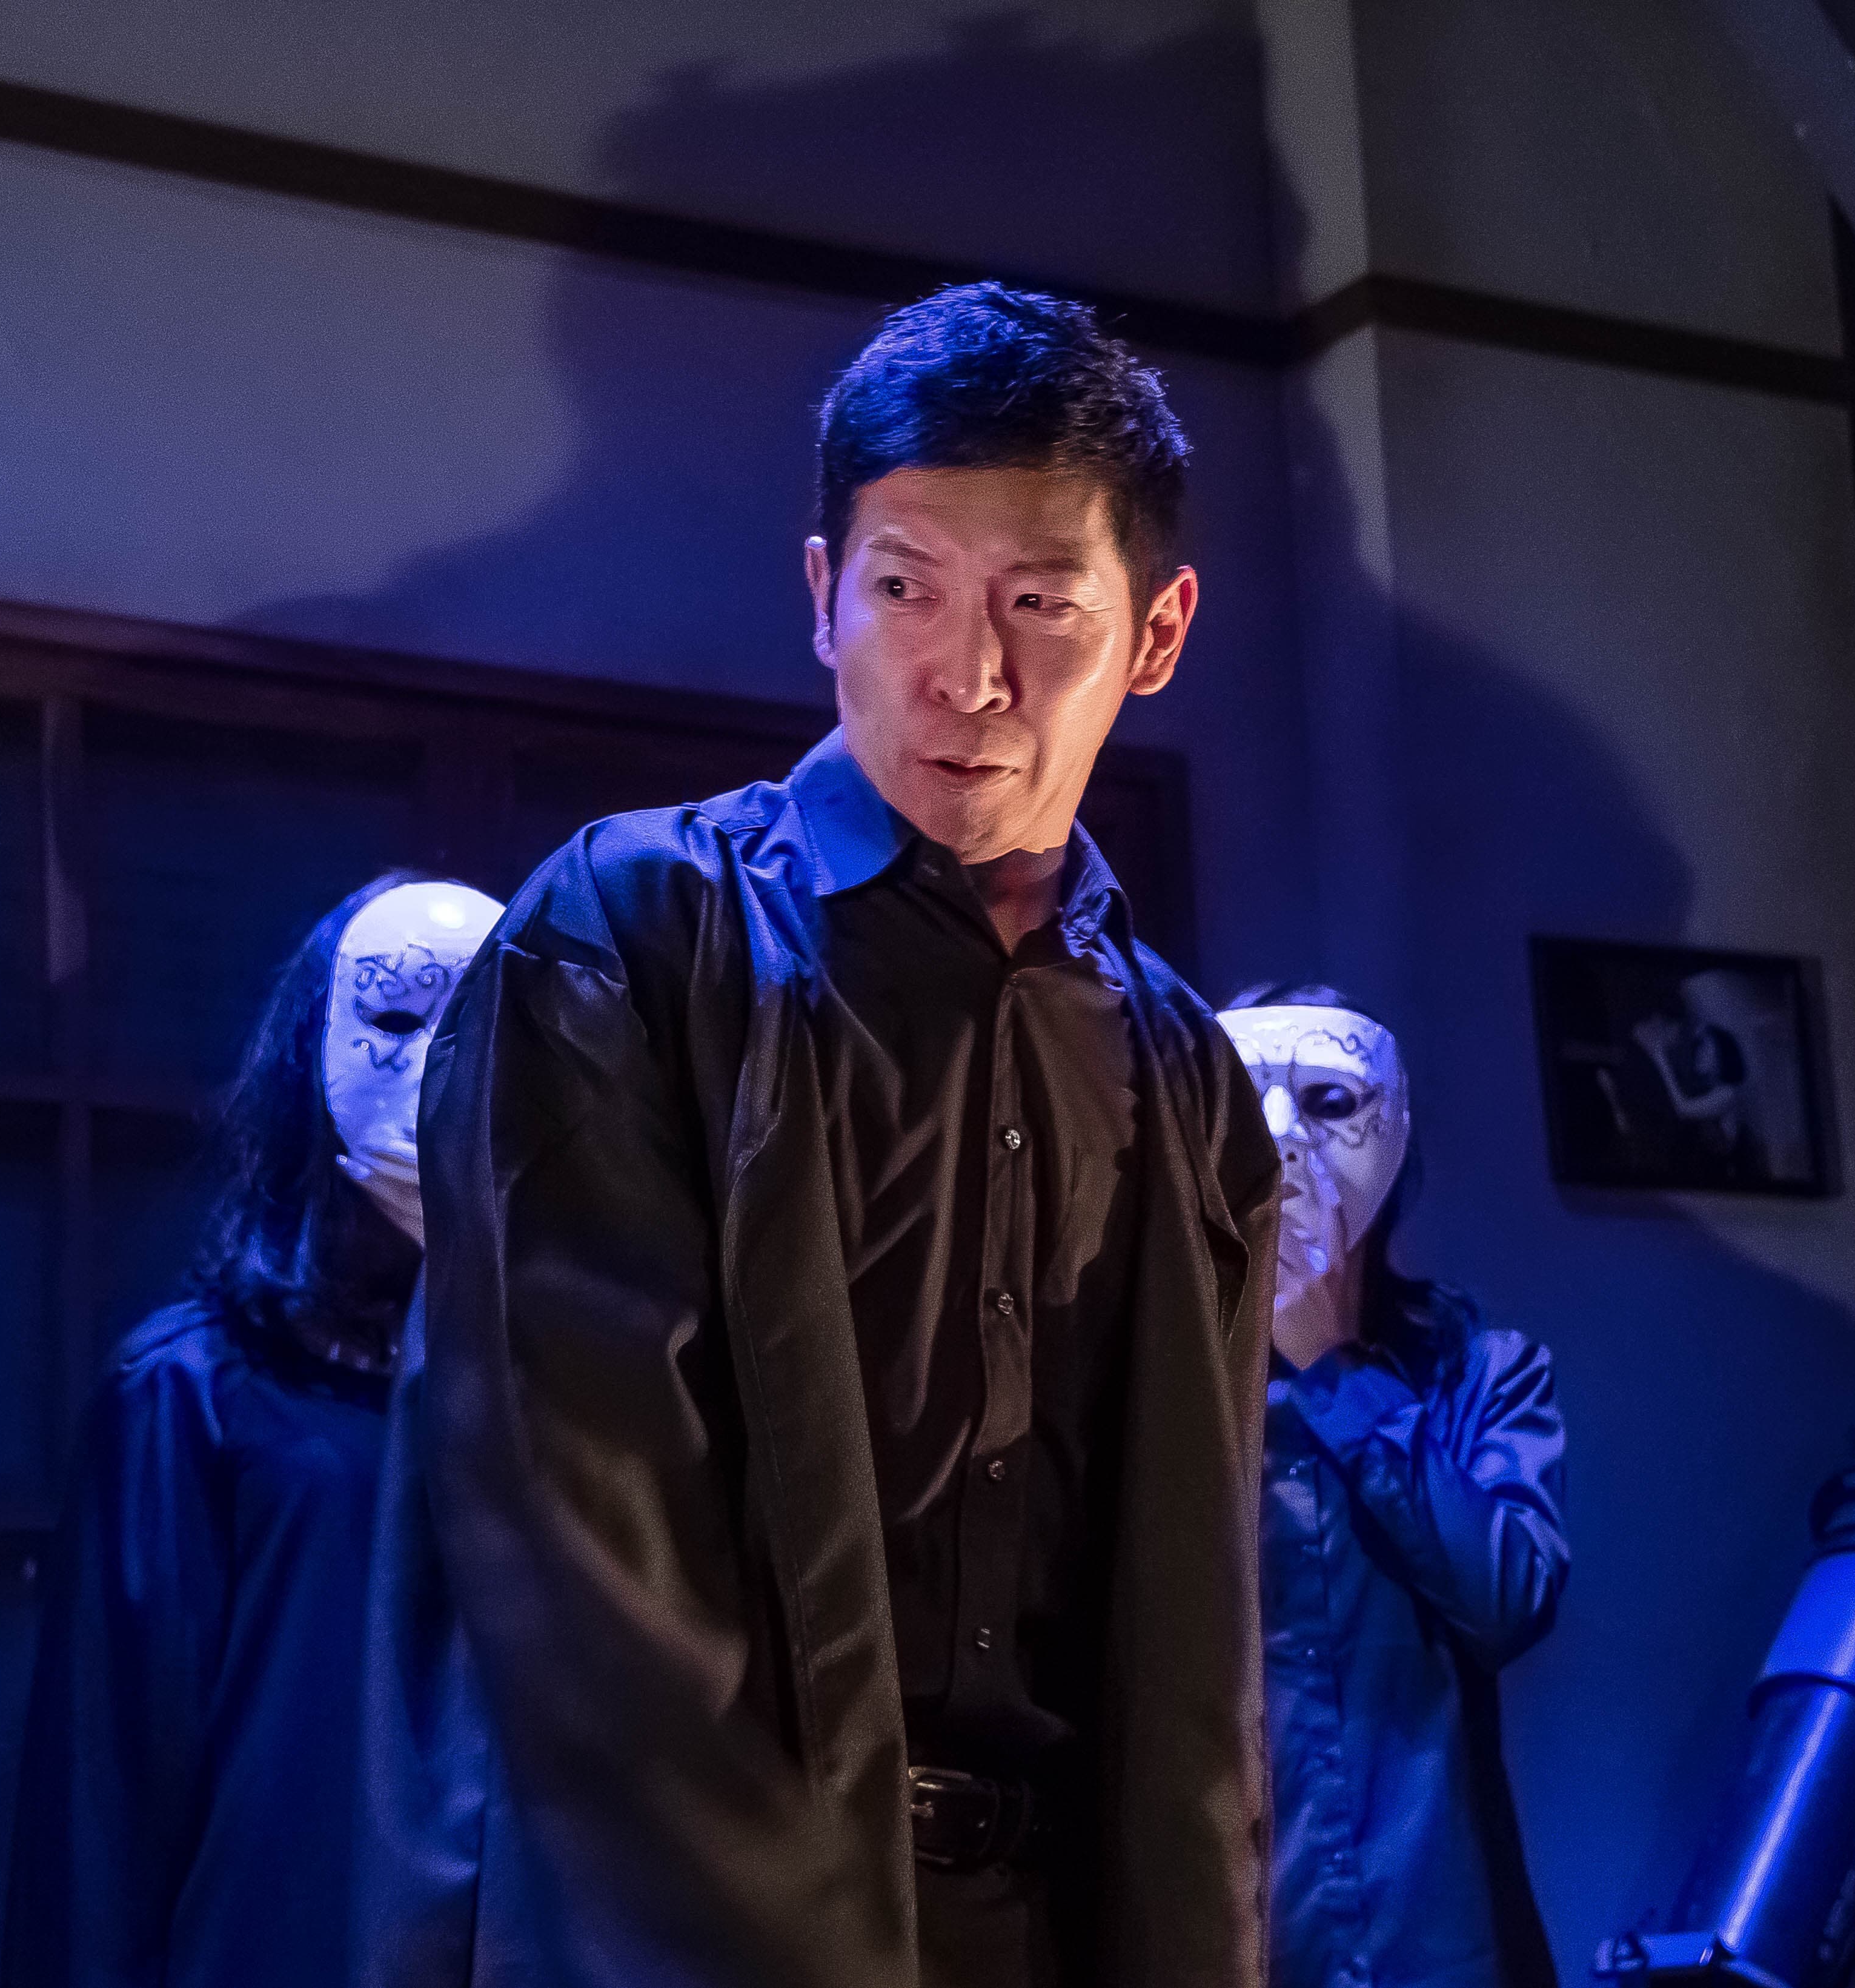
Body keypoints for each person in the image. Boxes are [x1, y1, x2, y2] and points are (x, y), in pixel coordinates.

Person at [382, 284, 1281, 1988]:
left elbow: (1201, 1642)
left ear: (1156, 633)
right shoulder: (632, 936)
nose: (967, 673)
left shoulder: (1180, 1072)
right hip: (712, 1929)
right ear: (822, 597)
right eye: (904, 588)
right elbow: (581, 1545)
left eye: (1039, 603)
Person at [2, 873, 503, 1987]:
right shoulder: (188, 1392)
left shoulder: (548, 1394)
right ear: (308, 1054)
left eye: (479, 1028)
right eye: (394, 1019)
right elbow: (103, 1802)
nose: (436, 1068)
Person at [1216, 985, 1568, 1988]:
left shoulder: (1482, 1371)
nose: (1286, 1137)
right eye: (1247, 1096)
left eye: (1330, 1100)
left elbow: (1508, 1600)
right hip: (1240, 1941)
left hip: (1439, 1936)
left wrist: (1336, 1374)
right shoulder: (1160, 1385)